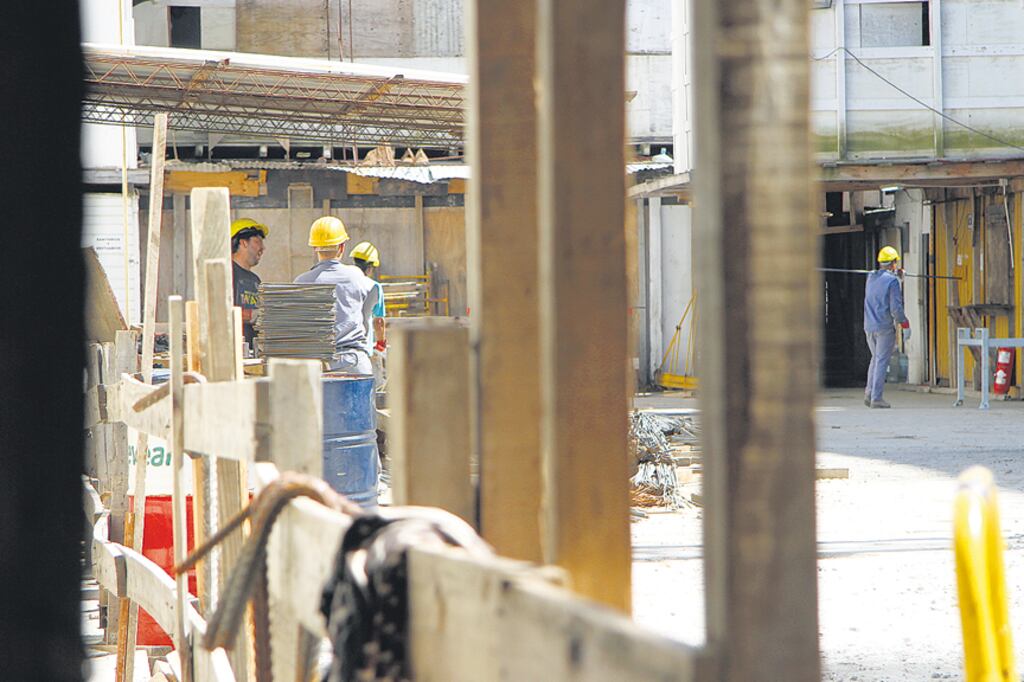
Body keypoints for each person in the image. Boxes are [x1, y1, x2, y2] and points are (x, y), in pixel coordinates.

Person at [294, 216, 379, 374]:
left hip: (316, 366)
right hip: (354, 363)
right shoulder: (356, 276)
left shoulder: (301, 282)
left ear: (315, 248)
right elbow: (372, 303)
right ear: (342, 247)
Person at [863, 246, 909, 408]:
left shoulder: (870, 277)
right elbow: (896, 308)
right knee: (882, 361)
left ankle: (869, 393)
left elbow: (880, 281)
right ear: (893, 263)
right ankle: (876, 398)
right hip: (884, 327)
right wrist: (905, 323)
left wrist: (896, 276)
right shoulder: (892, 282)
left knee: (875, 359)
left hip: (869, 326)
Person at [351, 241, 387, 390]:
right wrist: (381, 343)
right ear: (370, 267)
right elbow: (379, 322)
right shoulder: (374, 287)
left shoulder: (346, 283)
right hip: (363, 351)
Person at [230, 218, 269, 349]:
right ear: (243, 242)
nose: (262, 248)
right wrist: (254, 315)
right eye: (258, 241)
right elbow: (220, 312)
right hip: (230, 351)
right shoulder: (227, 274)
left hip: (250, 351)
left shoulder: (255, 280)